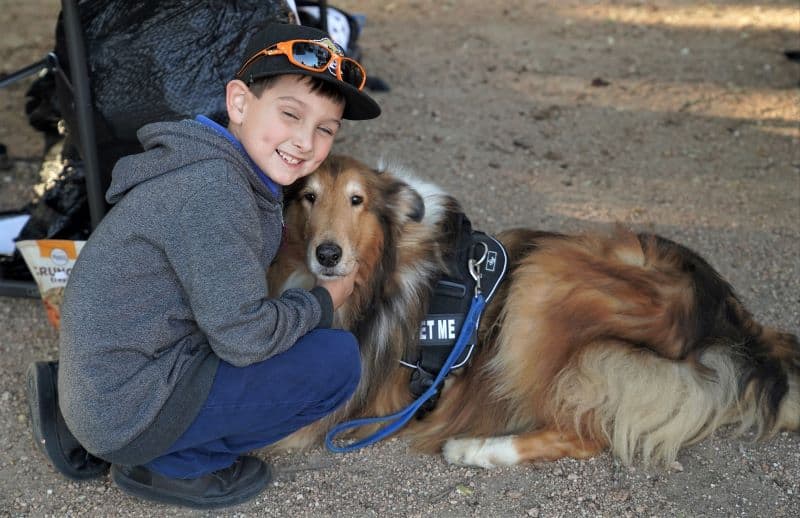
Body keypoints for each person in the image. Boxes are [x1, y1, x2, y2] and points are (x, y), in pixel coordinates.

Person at [26, 22, 381, 509]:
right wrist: (320, 303)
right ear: (238, 102)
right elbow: (244, 338)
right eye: (290, 114)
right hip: (127, 409)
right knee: (335, 362)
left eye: (324, 129)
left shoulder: (212, 165)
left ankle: (87, 413)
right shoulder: (214, 192)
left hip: (116, 379)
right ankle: (173, 465)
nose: (304, 141)